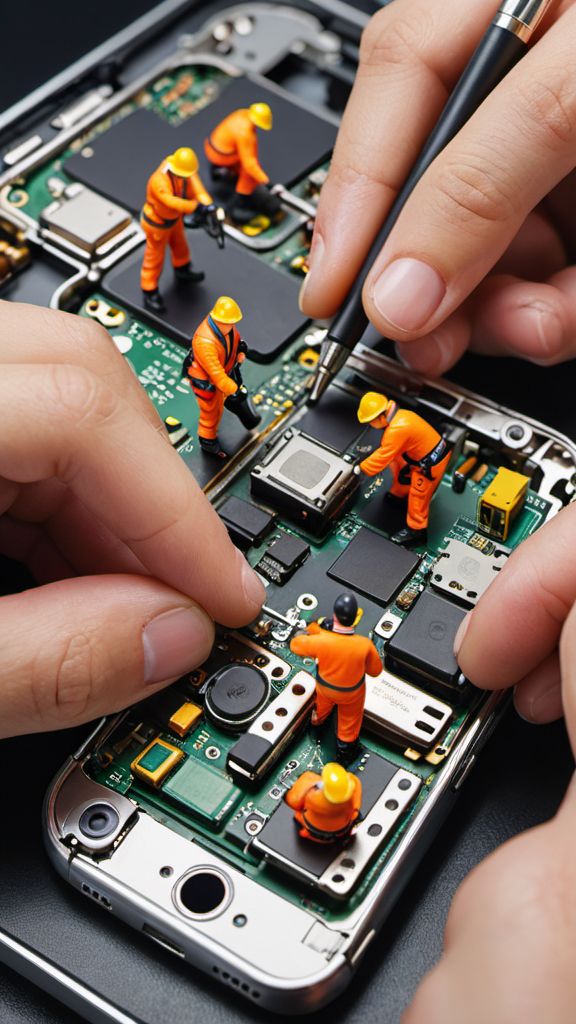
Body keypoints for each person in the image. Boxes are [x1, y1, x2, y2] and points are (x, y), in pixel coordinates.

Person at [297, 0, 576, 1020]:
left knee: (415, 514)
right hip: (361, 662)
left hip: (413, 497)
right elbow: (366, 664)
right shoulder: (347, 649)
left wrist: (386, 463)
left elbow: (398, 451)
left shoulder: (402, 437)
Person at [290, 593, 382, 762]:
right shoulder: (364, 645)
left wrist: (310, 630)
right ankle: (346, 752)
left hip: (326, 689)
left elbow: (296, 645)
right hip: (352, 694)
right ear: (356, 618)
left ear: (335, 616)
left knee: (320, 711)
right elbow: (375, 671)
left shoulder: (322, 640)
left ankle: (316, 726)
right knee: (349, 723)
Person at [140, 146, 214, 313]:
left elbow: (195, 185)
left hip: (174, 220)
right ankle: (149, 290)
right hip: (156, 225)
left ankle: (182, 269)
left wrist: (207, 203)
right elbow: (170, 201)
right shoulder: (158, 181)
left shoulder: (182, 171)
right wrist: (195, 206)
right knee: (154, 258)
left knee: (180, 245)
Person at [285, 762, 362, 842]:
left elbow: (293, 801)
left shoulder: (314, 797)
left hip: (314, 827)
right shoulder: (353, 783)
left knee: (300, 823)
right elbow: (355, 809)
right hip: (343, 827)